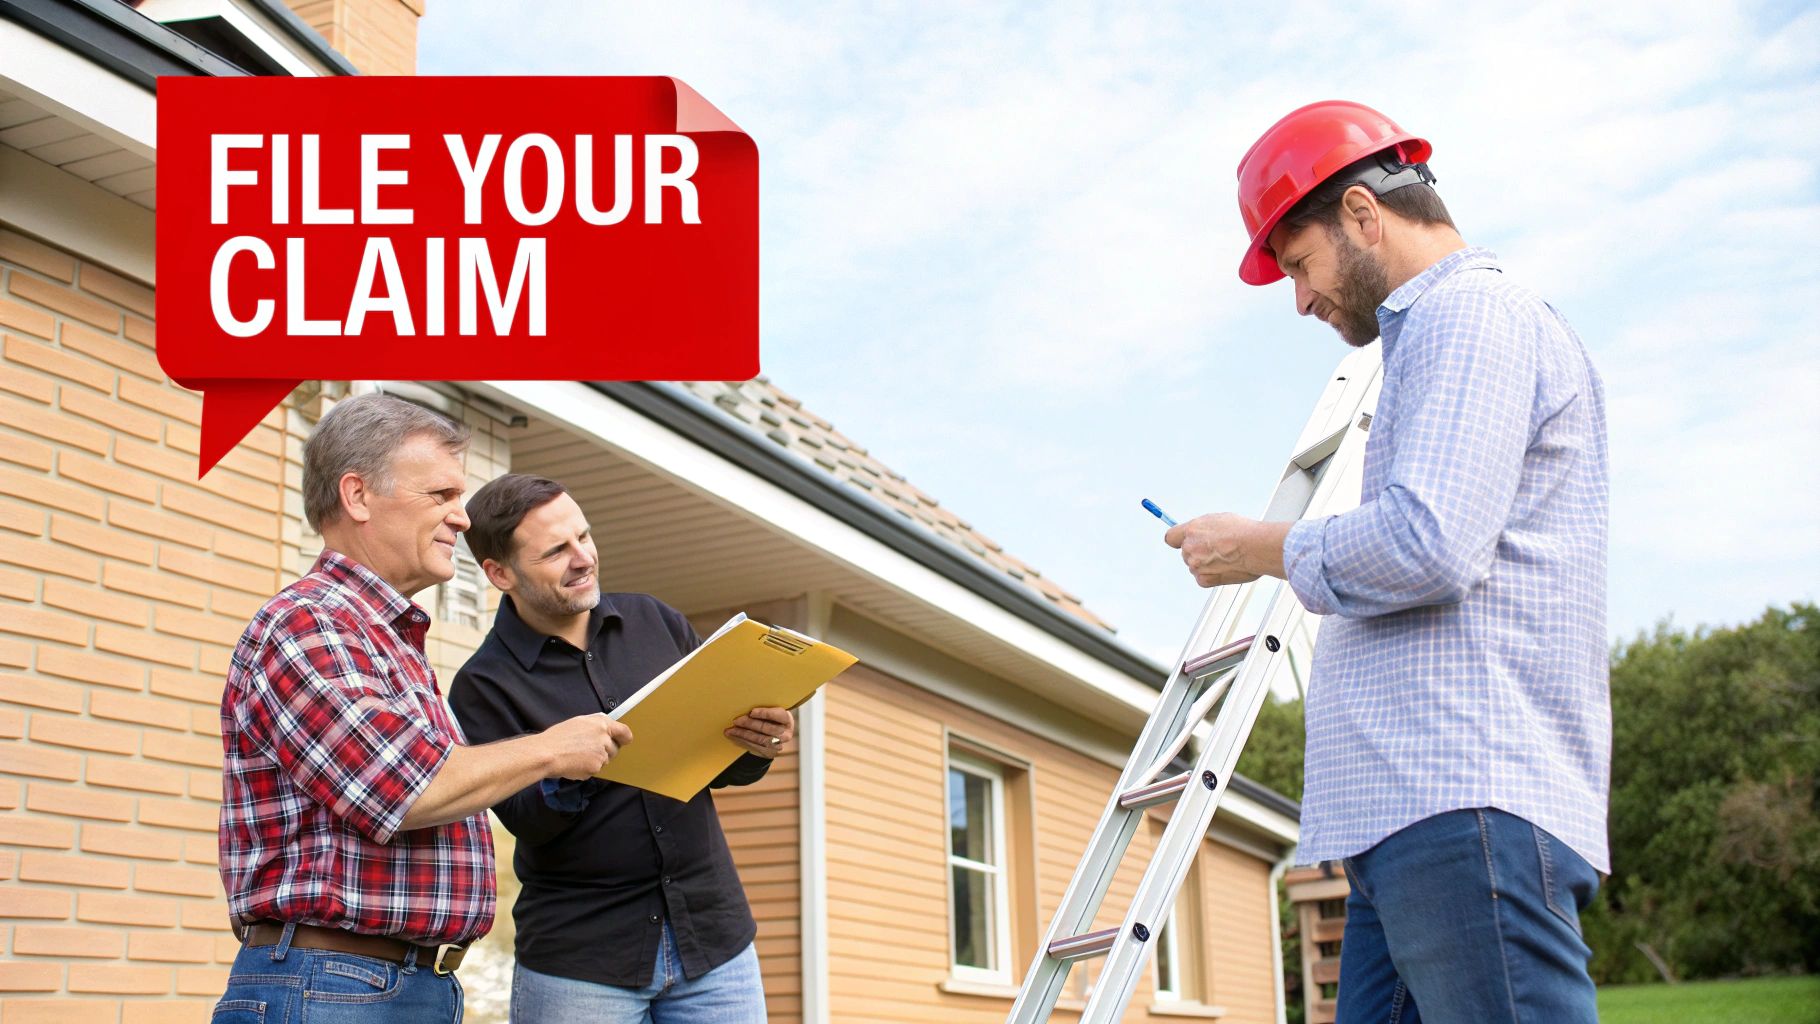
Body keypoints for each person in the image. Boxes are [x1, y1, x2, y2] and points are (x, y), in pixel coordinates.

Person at [1164, 101, 1610, 1023]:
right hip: (1409, 820)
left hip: (1463, 805)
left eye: (1299, 262)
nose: (1299, 298)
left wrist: (1258, 548)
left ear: (1363, 215)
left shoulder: (1469, 313)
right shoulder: (1434, 338)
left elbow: (1427, 543)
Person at [215, 394, 631, 1022]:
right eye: (439, 496)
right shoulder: (309, 625)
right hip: (334, 986)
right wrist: (552, 748)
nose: (461, 519)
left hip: (390, 984)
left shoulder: (383, 636)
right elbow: (403, 790)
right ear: (357, 497)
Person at [448, 473, 793, 1023]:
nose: (583, 558)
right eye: (557, 551)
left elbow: (713, 759)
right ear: (499, 573)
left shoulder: (657, 621)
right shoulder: (483, 685)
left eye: (584, 537)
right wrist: (567, 763)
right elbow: (526, 820)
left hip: (714, 942)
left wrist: (757, 743)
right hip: (582, 963)